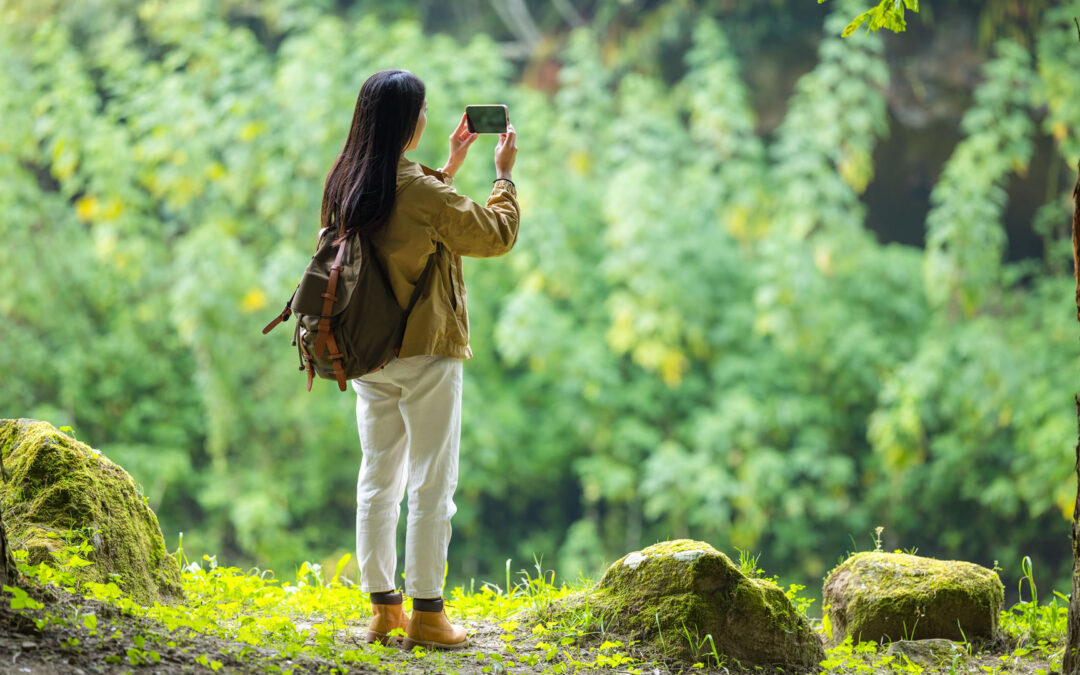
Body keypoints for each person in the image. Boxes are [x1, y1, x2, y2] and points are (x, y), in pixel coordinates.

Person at [317, 69, 519, 650]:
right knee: (433, 483)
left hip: (367, 352)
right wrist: (501, 176)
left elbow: (403, 217)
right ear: (411, 123)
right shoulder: (422, 192)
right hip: (426, 351)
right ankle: (429, 615)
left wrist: (450, 166)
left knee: (378, 479)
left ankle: (384, 612)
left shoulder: (346, 180)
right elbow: (495, 235)